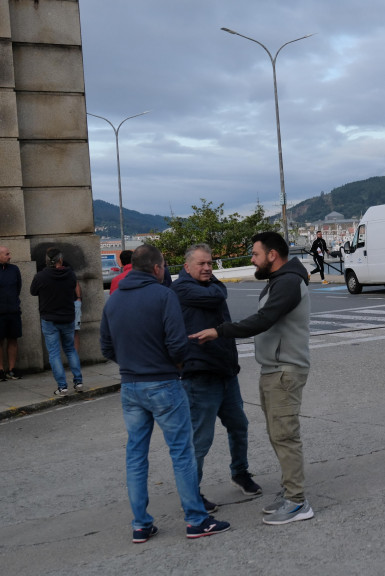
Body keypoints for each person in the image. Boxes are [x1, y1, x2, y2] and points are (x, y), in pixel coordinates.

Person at [100, 244, 230, 542]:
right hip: (163, 383)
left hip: (130, 386)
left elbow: (106, 347)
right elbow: (177, 344)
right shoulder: (164, 295)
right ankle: (196, 520)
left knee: (136, 456)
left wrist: (132, 366)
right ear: (158, 268)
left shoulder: (114, 300)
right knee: (181, 452)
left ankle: (140, 524)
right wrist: (173, 364)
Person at [190, 232, 315, 526]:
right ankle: (290, 494)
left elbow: (263, 320)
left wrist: (220, 331)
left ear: (273, 255)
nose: (252, 259)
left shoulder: (288, 282)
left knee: (285, 435)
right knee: (277, 434)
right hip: (274, 368)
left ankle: (298, 502)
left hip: (285, 370)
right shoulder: (279, 281)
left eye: (256, 254)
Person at [171, 244, 262, 514]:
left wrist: (216, 287)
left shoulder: (210, 285)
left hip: (225, 370)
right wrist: (218, 289)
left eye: (210, 263)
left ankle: (240, 472)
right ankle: (192, 494)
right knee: (201, 439)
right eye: (201, 264)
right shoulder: (181, 289)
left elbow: (219, 293)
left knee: (239, 425)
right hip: (200, 374)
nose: (208, 268)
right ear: (187, 267)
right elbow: (216, 296)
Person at [30, 247, 83, 395]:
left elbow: (33, 291)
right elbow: (73, 287)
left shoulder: (41, 276)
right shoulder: (70, 274)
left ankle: (62, 386)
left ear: (47, 261)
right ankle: (78, 382)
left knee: (54, 353)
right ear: (60, 259)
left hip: (49, 318)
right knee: (70, 349)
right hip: (67, 317)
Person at [0, 246, 21, 381]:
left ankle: (12, 369)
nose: (9, 256)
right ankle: (0, 369)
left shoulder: (14, 269)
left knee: (13, 339)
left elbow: (18, 287)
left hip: (13, 310)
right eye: (7, 254)